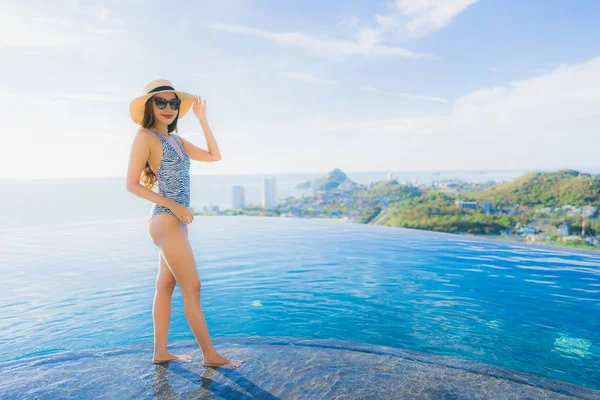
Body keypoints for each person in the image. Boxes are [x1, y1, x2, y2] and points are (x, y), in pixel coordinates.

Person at [126, 79, 242, 369]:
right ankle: (210, 356)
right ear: (149, 106)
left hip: (176, 222)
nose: (168, 108)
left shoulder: (176, 141)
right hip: (165, 219)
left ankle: (161, 352)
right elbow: (131, 185)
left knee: (165, 286)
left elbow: (215, 156)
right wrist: (176, 206)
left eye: (173, 103)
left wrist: (203, 120)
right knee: (193, 287)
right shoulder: (145, 136)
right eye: (161, 102)